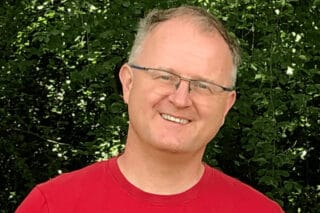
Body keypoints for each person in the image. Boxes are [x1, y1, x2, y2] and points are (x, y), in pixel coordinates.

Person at [16, 5, 284, 213]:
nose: (181, 99)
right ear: (128, 83)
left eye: (203, 85)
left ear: (227, 105)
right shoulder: (52, 206)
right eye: (164, 76)